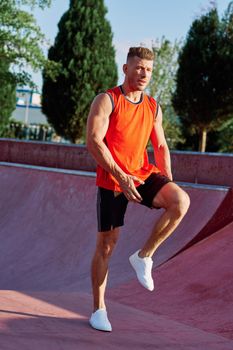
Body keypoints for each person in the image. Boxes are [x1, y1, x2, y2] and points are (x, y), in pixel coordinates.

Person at [86, 47, 190, 332]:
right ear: (126, 68)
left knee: (180, 201)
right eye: (139, 67)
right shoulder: (107, 100)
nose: (144, 73)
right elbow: (93, 141)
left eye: (149, 70)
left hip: (142, 174)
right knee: (107, 245)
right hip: (112, 179)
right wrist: (119, 175)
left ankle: (144, 256)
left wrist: (167, 179)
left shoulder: (153, 106)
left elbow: (160, 146)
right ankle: (99, 309)